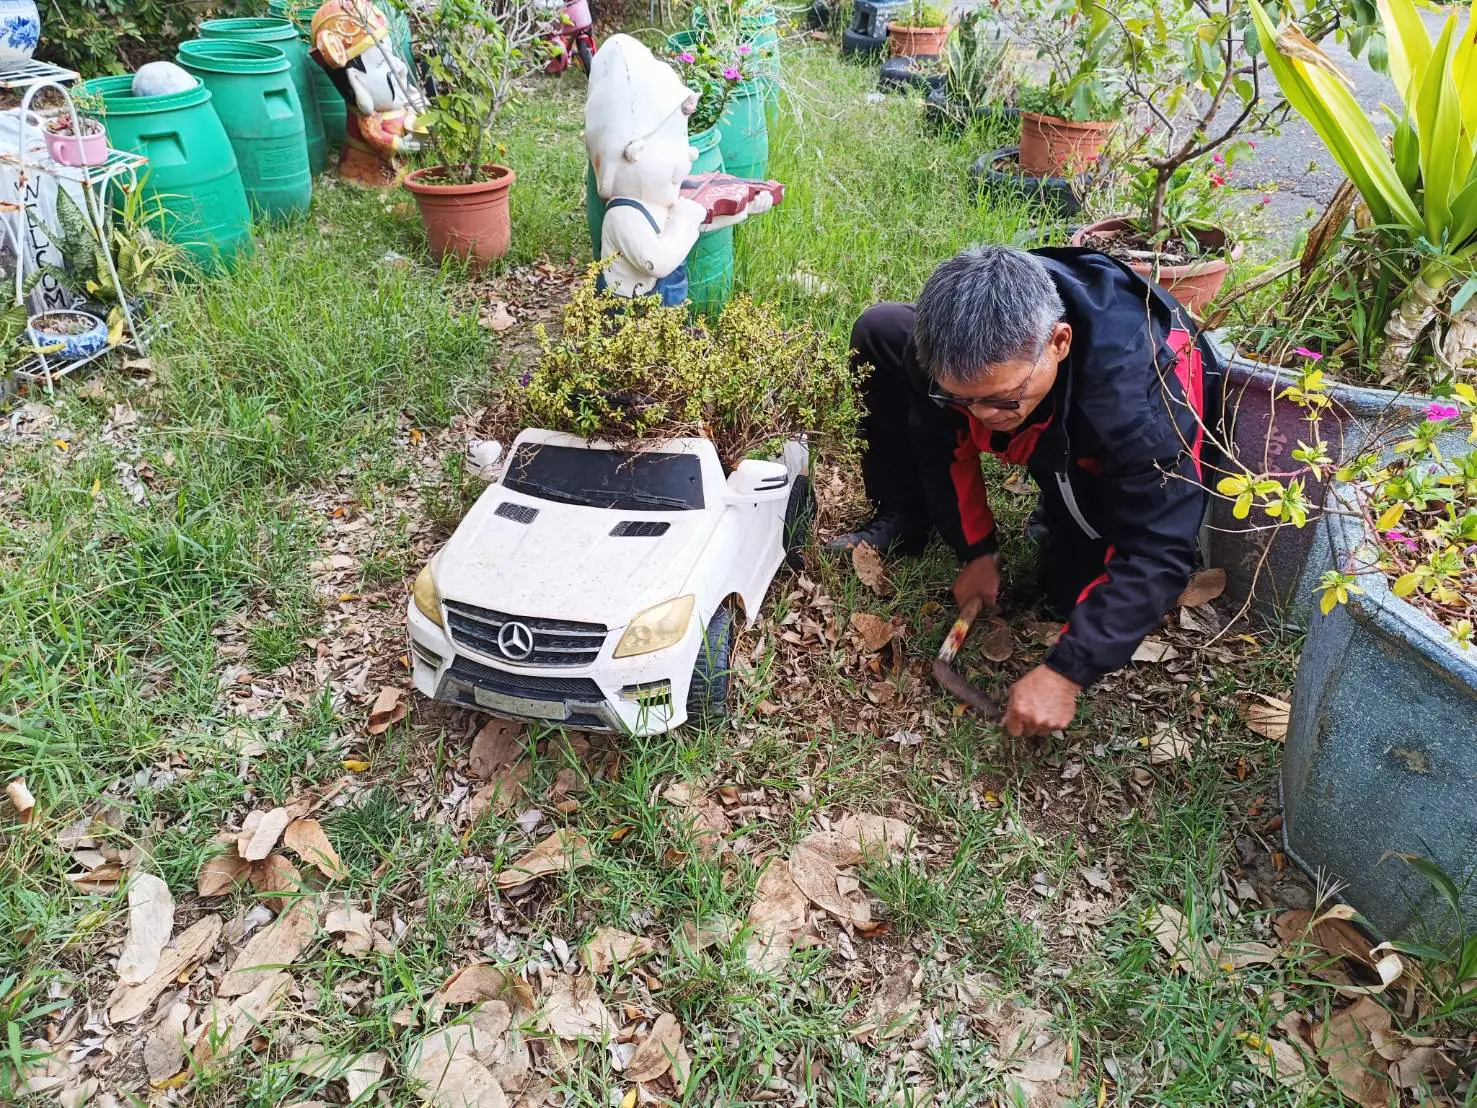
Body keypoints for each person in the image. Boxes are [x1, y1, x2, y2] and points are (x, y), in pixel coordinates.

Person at [829, 245, 1219, 738]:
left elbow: (1158, 549)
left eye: (1002, 400)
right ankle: (906, 515)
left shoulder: (1135, 406)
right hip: (1048, 404)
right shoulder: (942, 355)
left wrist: (1067, 671)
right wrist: (977, 552)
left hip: (1113, 443)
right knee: (882, 329)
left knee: (1072, 592)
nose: (981, 417)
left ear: (1059, 342)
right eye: (962, 400)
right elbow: (940, 441)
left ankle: (1061, 506)